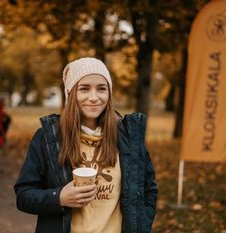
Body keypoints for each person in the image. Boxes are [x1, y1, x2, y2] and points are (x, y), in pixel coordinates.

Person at [14, 57, 158, 233]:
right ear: (70, 93)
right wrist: (58, 197)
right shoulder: (48, 137)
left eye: (101, 89)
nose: (94, 97)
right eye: (84, 89)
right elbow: (23, 195)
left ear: (109, 94)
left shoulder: (128, 137)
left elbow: (148, 191)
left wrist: (141, 227)